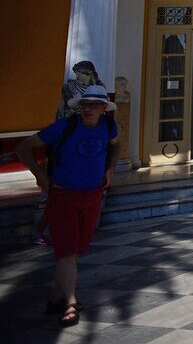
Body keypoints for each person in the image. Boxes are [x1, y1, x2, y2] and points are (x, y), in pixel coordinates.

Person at [15, 85, 119, 327]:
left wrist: (111, 167)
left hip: (92, 195)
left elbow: (116, 145)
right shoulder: (66, 126)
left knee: (75, 250)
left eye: (93, 104)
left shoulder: (108, 126)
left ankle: (55, 297)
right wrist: (39, 173)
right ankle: (71, 302)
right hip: (63, 196)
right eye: (84, 104)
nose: (87, 108)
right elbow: (23, 147)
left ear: (104, 107)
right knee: (66, 251)